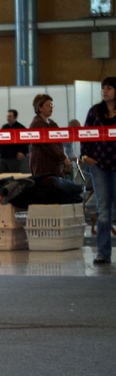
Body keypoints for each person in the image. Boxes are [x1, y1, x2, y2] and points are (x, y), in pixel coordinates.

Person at [81, 76, 116, 265]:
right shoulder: (94, 111)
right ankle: (103, 253)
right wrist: (85, 156)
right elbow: (85, 134)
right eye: (104, 88)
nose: (105, 91)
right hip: (99, 165)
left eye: (109, 88)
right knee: (103, 211)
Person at [28, 94, 71, 177]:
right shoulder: (38, 123)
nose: (51, 107)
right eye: (48, 105)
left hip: (54, 167)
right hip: (43, 168)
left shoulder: (51, 123)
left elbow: (59, 142)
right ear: (39, 108)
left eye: (52, 105)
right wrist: (63, 158)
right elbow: (48, 145)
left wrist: (63, 162)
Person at [0, 109, 29, 173]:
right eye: (7, 116)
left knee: (15, 175)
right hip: (3, 156)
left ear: (15, 117)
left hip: (14, 157)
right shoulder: (4, 127)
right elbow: (0, 139)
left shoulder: (21, 128)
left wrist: (22, 152)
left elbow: (26, 141)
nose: (8, 118)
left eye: (10, 116)